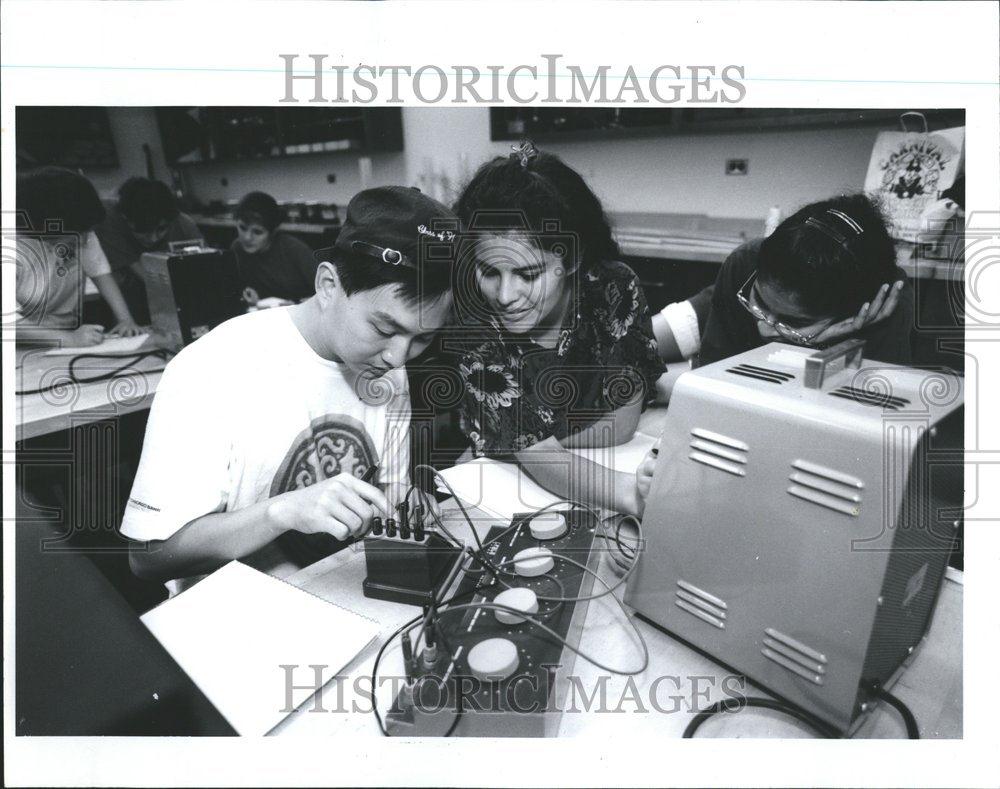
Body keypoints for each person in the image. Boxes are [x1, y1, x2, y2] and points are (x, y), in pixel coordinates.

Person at [121, 186, 457, 587]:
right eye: (384, 328)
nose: (399, 358)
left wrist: (404, 505)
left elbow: (389, 492)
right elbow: (147, 557)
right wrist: (280, 513)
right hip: (234, 611)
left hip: (339, 585)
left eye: (422, 339)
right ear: (328, 285)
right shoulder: (211, 370)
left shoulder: (388, 369)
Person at [451, 144, 665, 517]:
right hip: (492, 487)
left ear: (572, 260)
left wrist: (513, 447)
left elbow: (624, 423)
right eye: (489, 272)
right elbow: (544, 454)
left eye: (528, 274)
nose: (505, 295)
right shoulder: (474, 326)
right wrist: (631, 493)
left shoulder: (612, 288)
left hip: (585, 467)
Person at [698, 193, 912, 367]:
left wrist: (825, 347)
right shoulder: (746, 263)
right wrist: (805, 335)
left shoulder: (891, 305)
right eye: (760, 303)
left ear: (853, 314)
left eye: (794, 322)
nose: (764, 329)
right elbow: (711, 374)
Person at [15, 167, 144, 346]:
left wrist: (125, 319)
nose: (85, 239)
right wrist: (68, 339)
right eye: (80, 232)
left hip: (62, 331)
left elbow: (100, 272)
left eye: (87, 231)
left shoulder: (78, 231)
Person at [95, 177, 203, 324]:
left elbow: (204, 273)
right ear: (125, 218)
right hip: (132, 299)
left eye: (161, 229)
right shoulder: (109, 219)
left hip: (179, 300)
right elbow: (148, 276)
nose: (153, 239)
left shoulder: (185, 226)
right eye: (143, 230)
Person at [229, 191, 319, 304]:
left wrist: (296, 305)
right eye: (242, 228)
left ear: (272, 233)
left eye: (257, 232)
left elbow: (331, 291)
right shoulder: (237, 249)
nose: (247, 237)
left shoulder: (293, 249)